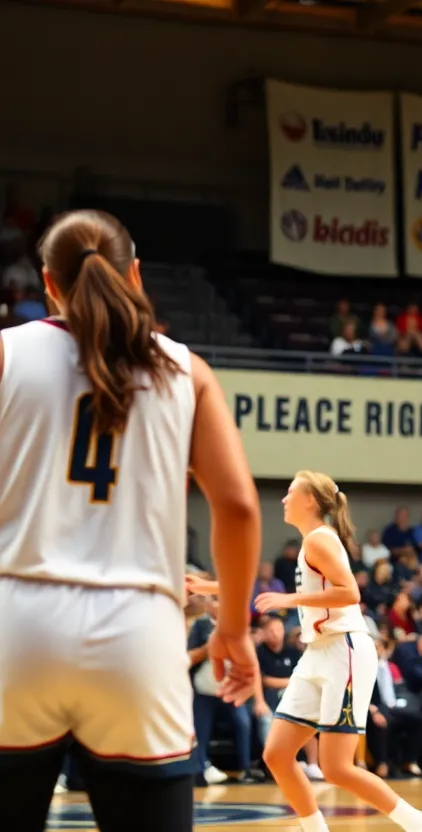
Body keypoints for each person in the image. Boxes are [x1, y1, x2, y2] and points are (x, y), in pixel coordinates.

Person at [0, 210, 261, 831]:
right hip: (138, 634)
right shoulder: (186, 371)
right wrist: (232, 628)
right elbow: (239, 506)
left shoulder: (7, 352)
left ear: (48, 283)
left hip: (17, 623)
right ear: (135, 273)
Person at [254, 472, 422, 832]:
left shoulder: (320, 540)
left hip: (343, 649)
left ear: (309, 500)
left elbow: (350, 592)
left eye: (290, 492)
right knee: (277, 754)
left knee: (336, 767)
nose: (283, 499)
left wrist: (290, 600)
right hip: (317, 652)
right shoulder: (312, 541)